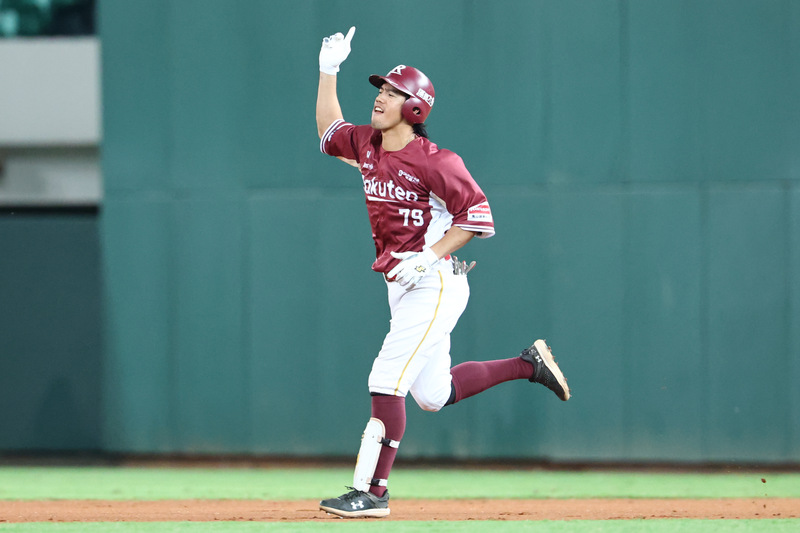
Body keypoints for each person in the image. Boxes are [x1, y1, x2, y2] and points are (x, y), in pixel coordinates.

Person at [315, 27, 571, 519]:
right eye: (381, 90)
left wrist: (429, 255)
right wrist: (329, 70)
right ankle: (528, 364)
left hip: (433, 283)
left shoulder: (437, 161)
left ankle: (372, 493)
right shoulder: (368, 146)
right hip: (404, 283)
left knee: (386, 377)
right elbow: (329, 132)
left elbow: (477, 217)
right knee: (432, 395)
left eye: (393, 93)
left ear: (415, 108)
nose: (381, 98)